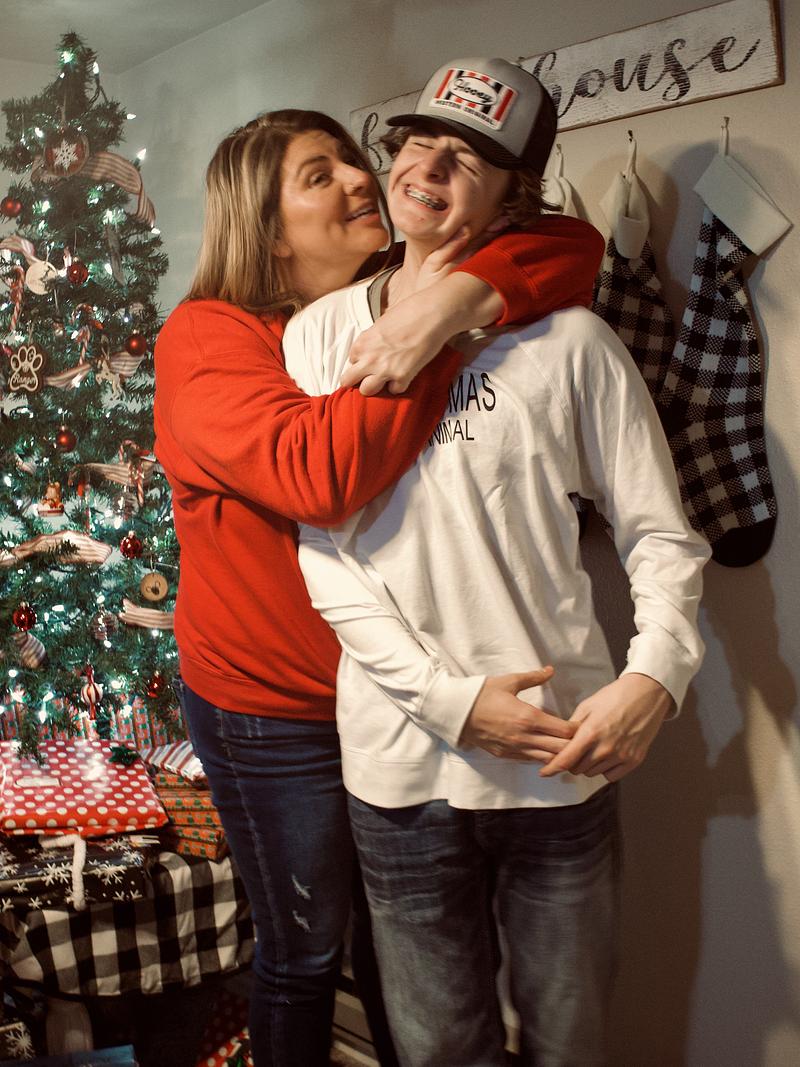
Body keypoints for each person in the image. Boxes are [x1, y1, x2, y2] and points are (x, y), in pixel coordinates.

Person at [153, 105, 604, 1067]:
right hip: (276, 710)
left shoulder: (391, 298)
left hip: (390, 698)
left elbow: (571, 245)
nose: (363, 179)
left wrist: (439, 304)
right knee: (307, 952)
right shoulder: (206, 337)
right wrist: (431, 327)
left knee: (408, 962)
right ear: (269, 230)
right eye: (320, 175)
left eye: (354, 160)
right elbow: (318, 475)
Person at [283, 58, 711, 1066]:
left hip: (560, 757)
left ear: (514, 196)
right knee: (439, 1049)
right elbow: (325, 551)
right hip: (397, 761)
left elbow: (660, 533)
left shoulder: (573, 342)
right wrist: (447, 700)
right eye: (418, 144)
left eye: (467, 160)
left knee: (570, 1042)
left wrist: (655, 674)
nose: (428, 169)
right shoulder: (317, 335)